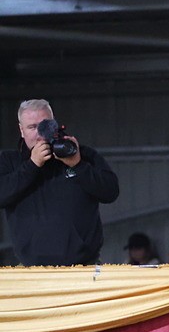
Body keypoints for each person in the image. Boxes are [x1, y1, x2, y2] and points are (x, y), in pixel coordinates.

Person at [0, 98, 118, 266]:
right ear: (21, 130)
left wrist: (78, 165)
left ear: (54, 125)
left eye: (44, 125)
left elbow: (110, 191)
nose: (40, 133)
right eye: (32, 127)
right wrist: (32, 165)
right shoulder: (10, 161)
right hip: (31, 268)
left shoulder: (83, 156)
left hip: (83, 266)